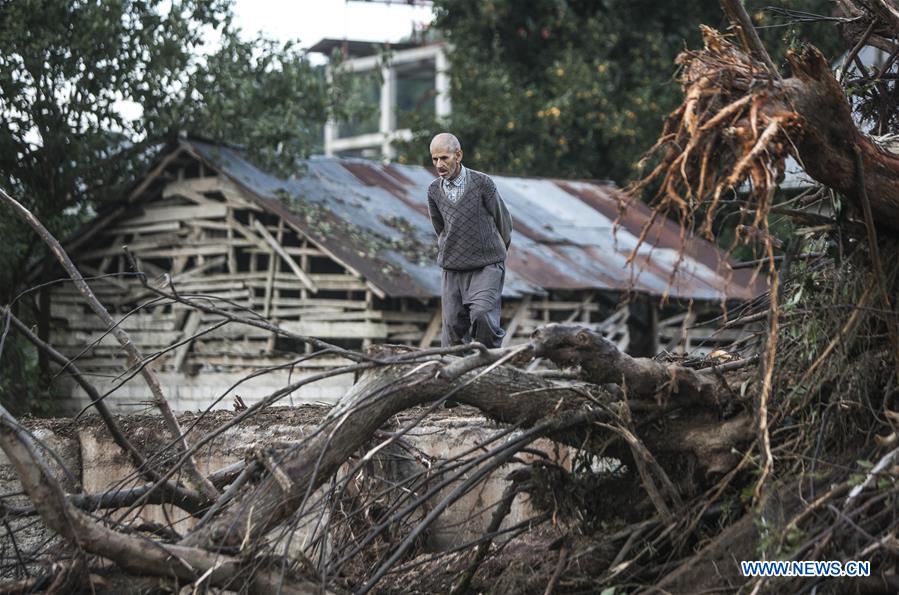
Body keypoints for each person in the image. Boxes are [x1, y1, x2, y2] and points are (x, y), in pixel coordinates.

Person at [427, 132, 513, 348]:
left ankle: (487, 366)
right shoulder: (433, 191)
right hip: (453, 268)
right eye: (435, 159)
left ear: (458, 155)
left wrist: (495, 254)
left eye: (444, 158)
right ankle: (455, 377)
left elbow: (504, 221)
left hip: (486, 266)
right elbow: (441, 228)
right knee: (453, 329)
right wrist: (451, 250)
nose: (439, 164)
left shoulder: (482, 183)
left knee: (483, 315)